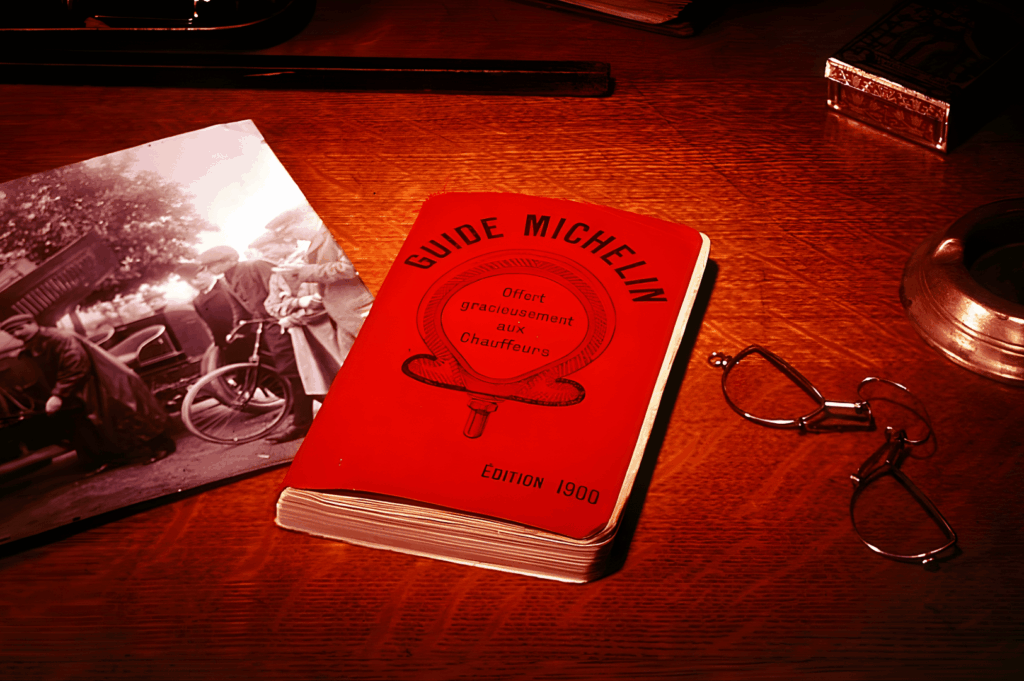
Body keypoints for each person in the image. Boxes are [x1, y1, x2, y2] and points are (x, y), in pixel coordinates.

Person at [0, 313, 174, 472]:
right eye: (13, 333)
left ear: (32, 323)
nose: (17, 334)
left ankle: (162, 446)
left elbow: (75, 365)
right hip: (88, 384)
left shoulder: (59, 337)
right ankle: (116, 457)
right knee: (102, 422)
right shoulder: (38, 341)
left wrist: (58, 394)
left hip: (104, 381)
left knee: (128, 413)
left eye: (19, 328)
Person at [195, 246, 314, 443]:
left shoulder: (256, 266)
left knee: (296, 371)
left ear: (230, 260)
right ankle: (304, 421)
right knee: (292, 372)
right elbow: (239, 310)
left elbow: (284, 290)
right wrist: (236, 331)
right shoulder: (226, 280)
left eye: (212, 264)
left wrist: (288, 316)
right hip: (269, 328)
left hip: (286, 321)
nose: (208, 269)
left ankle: (302, 423)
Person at [256, 235, 345, 401]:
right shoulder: (278, 273)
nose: (264, 255)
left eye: (267, 249)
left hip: (332, 329)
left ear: (288, 242)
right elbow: (271, 306)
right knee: (323, 382)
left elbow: (324, 302)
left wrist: (291, 316)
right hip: (304, 336)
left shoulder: (313, 261)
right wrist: (299, 302)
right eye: (262, 252)